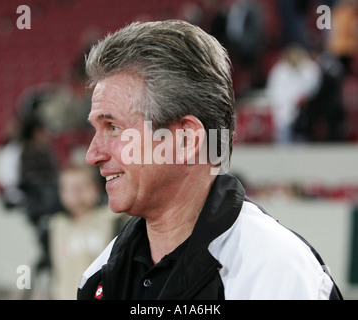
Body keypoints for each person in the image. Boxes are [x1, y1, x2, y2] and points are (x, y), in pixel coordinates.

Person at [78, 20, 342, 300]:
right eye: (96, 129)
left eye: (113, 128)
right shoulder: (99, 277)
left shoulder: (279, 274)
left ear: (185, 140)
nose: (92, 155)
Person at [50, 164, 128, 299]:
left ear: (96, 188)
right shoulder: (58, 224)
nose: (75, 193)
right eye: (68, 188)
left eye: (81, 186)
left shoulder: (111, 218)